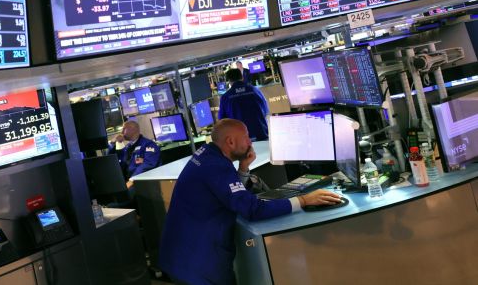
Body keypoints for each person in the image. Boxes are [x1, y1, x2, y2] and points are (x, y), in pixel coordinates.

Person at [159, 119, 341, 285]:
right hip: (199, 263)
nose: (250, 143)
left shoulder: (208, 154)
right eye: (246, 138)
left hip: (182, 255)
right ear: (230, 142)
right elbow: (252, 210)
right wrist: (303, 200)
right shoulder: (217, 166)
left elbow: (226, 192)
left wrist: (244, 168)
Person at [219, 68, 269, 141]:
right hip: (261, 134)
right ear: (242, 77)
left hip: (240, 139)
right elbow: (265, 110)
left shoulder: (225, 97)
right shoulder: (255, 90)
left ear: (229, 81)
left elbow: (222, 121)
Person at [107, 120, 161, 188]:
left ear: (133, 130)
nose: (121, 132)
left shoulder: (148, 145)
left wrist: (131, 180)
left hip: (142, 182)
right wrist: (113, 143)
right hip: (127, 180)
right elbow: (111, 157)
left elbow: (148, 164)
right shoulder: (128, 146)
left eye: (124, 129)